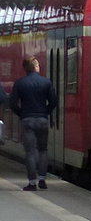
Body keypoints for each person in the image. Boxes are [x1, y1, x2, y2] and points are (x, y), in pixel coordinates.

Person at [11, 56, 58, 190]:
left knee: (30, 152)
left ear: (25, 68)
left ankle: (32, 183)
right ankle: (42, 180)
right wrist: (46, 112)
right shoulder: (46, 82)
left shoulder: (20, 83)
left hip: (27, 120)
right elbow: (54, 101)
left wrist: (22, 114)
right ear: (36, 67)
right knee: (43, 150)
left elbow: (12, 103)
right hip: (42, 120)